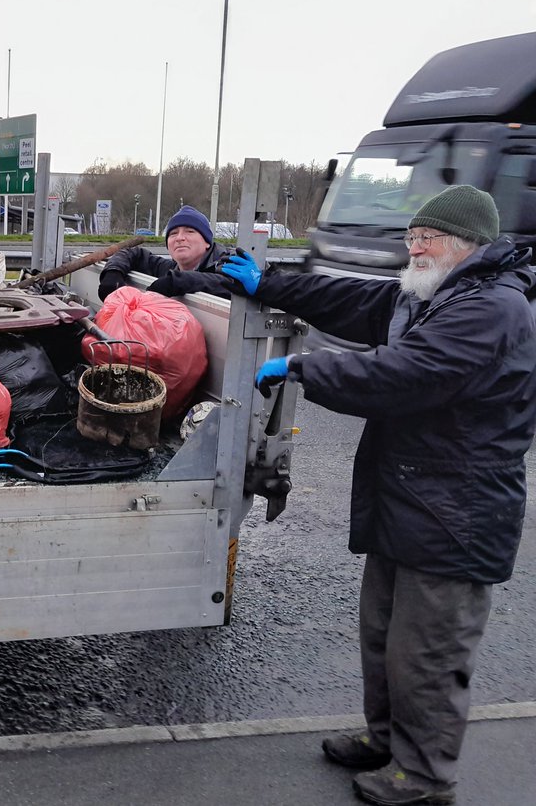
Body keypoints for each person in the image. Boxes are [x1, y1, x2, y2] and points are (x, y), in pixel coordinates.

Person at [222, 185, 536, 806]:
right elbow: (352, 299)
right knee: (386, 636)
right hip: (414, 498)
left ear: (466, 244)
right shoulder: (436, 292)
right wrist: (272, 284)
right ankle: (388, 738)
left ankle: (423, 777)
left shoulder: (489, 309)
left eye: (427, 239)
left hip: (458, 511)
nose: (413, 248)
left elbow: (406, 375)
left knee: (428, 651)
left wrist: (303, 369)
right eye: (411, 237)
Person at [97, 204, 231, 300]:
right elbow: (134, 254)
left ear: (207, 242)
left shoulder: (228, 264)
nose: (179, 238)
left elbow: (228, 284)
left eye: (190, 231)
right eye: (173, 233)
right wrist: (113, 272)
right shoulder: (170, 268)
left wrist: (177, 282)